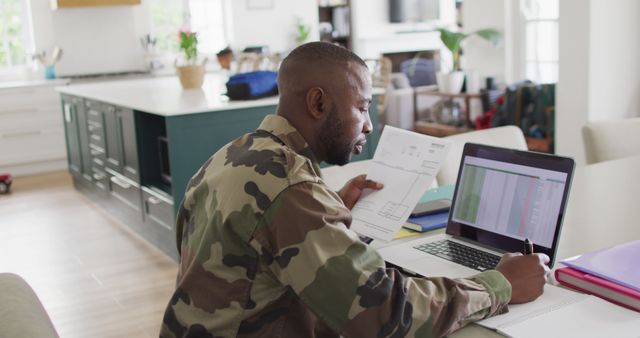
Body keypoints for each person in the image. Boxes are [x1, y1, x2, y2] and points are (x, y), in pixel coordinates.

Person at [160, 41, 550, 338]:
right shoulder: (291, 189)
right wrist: (500, 284)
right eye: (362, 108)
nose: (369, 125)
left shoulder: (232, 155)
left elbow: (251, 253)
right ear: (318, 102)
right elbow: (383, 313)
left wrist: (327, 210)